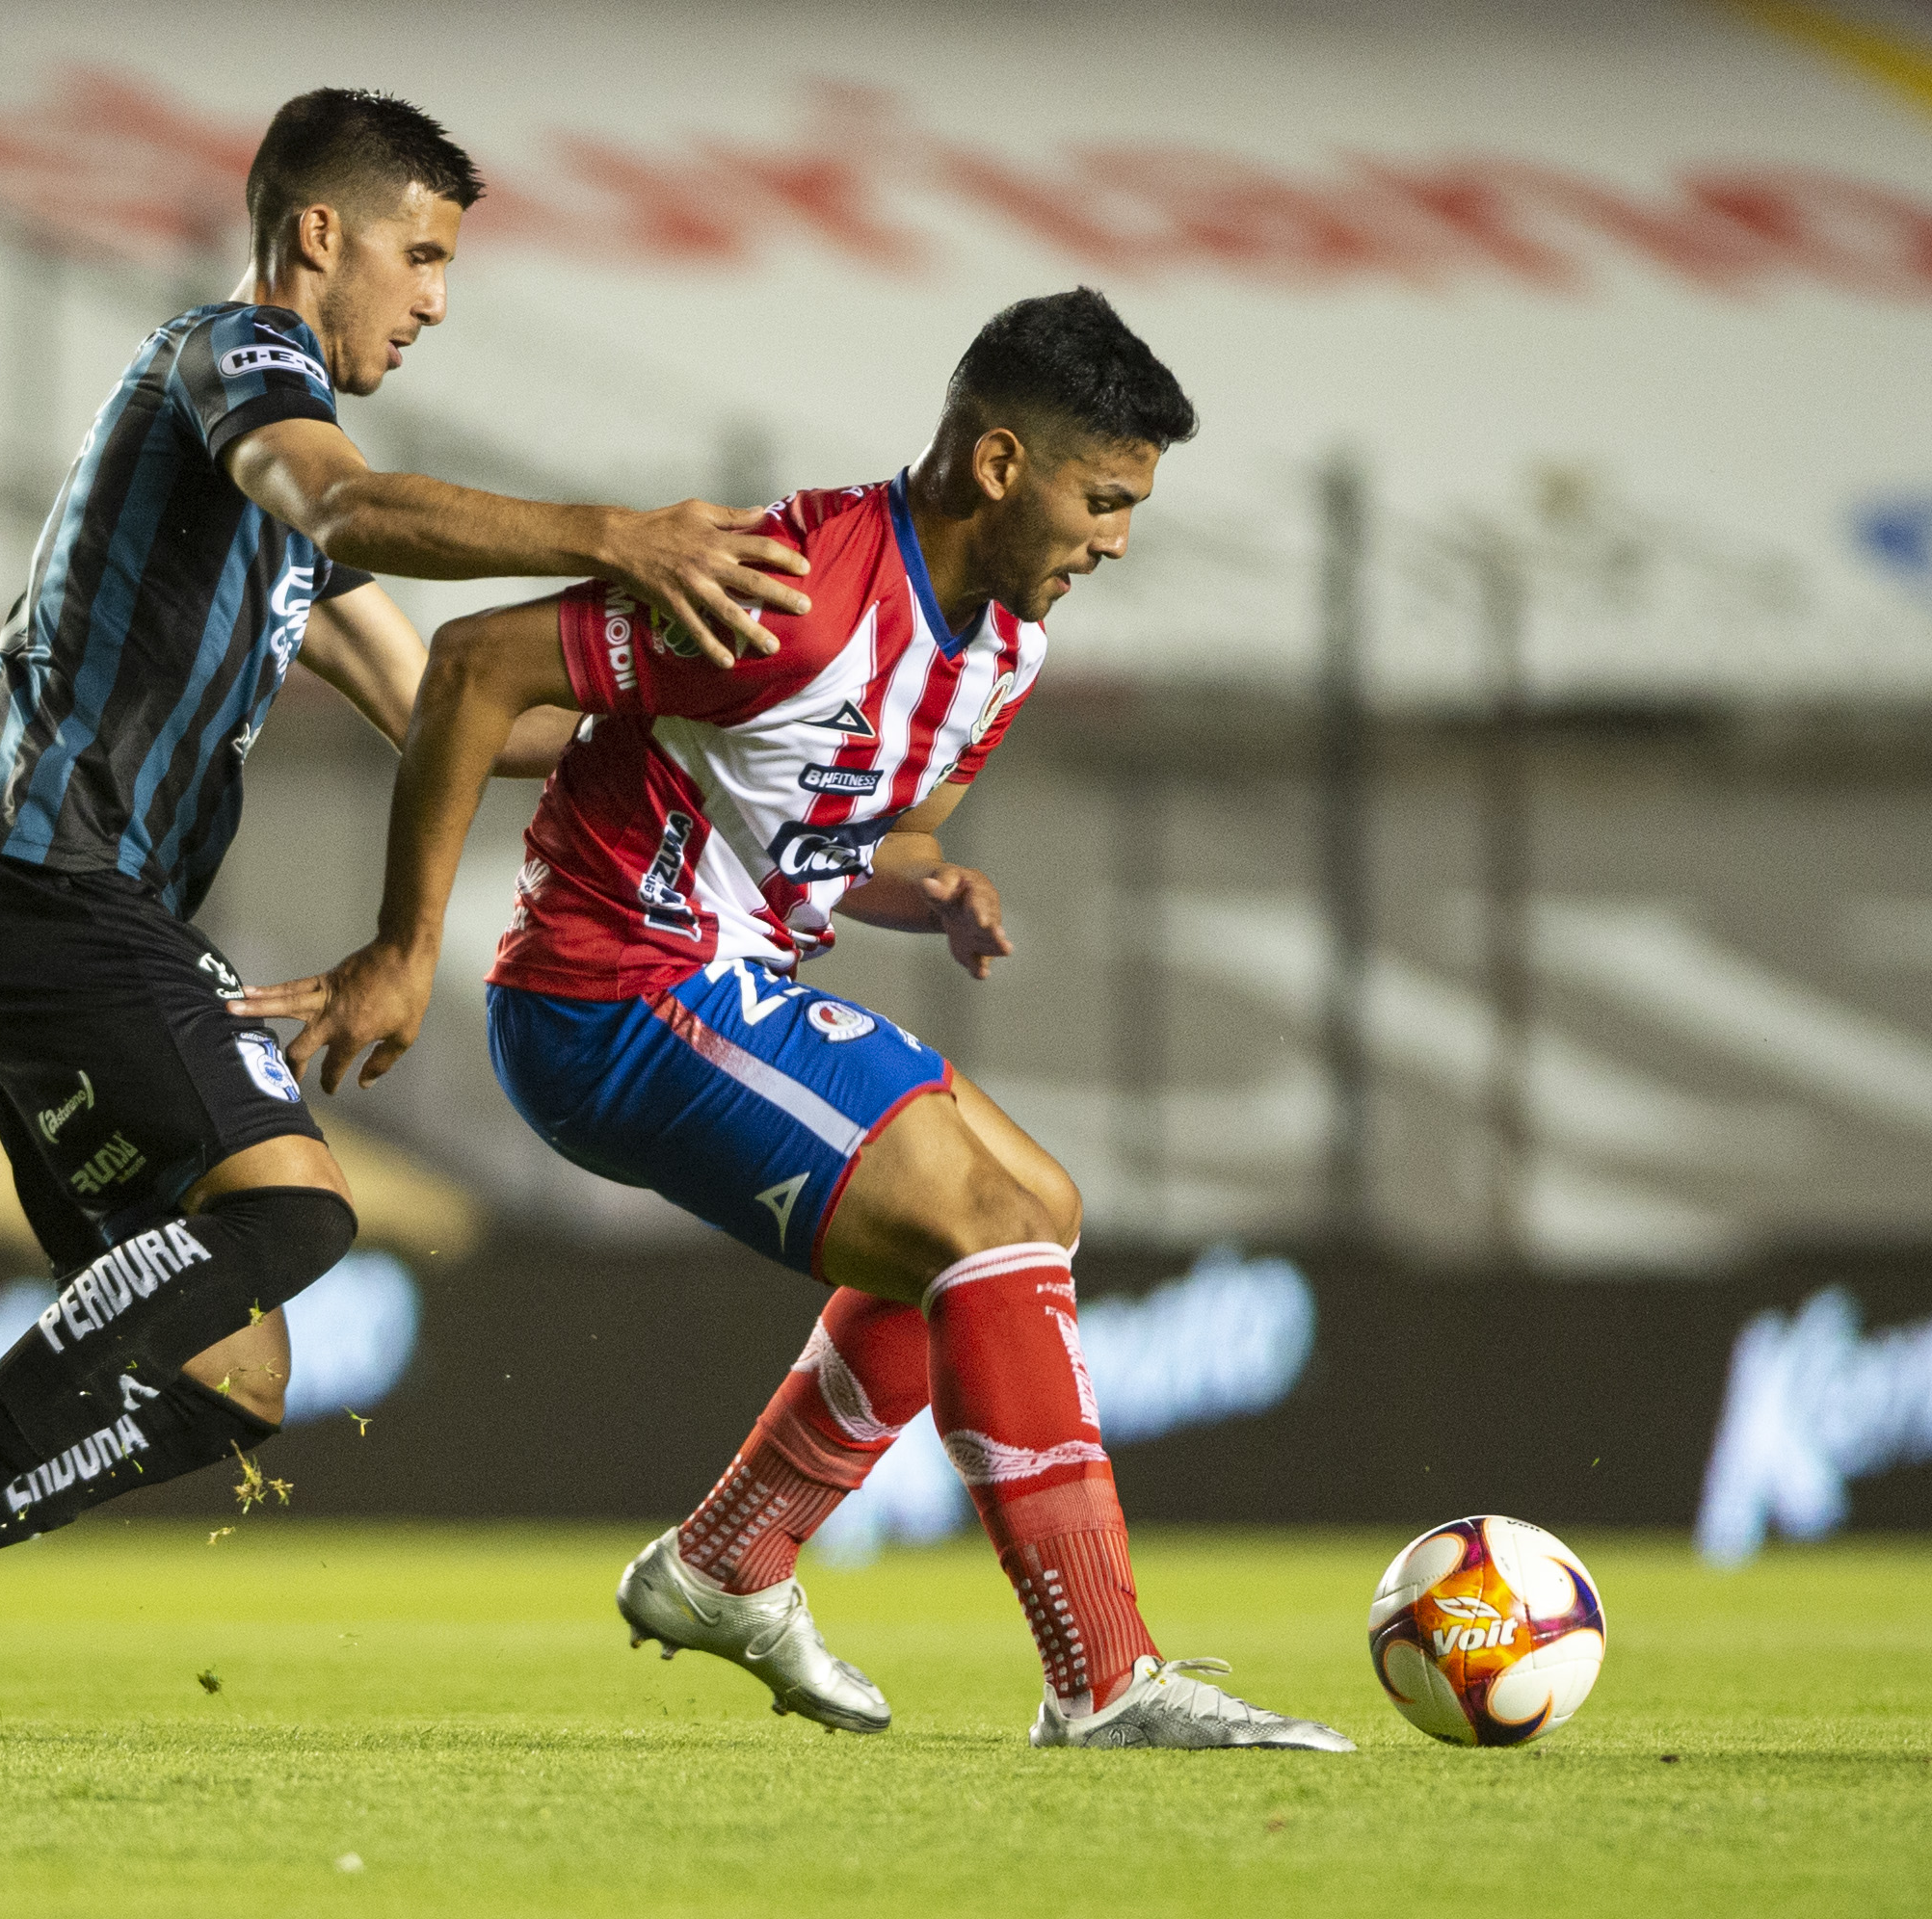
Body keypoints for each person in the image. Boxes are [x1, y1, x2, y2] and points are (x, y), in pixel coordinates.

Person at [0, 87, 812, 1739]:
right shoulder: (228, 358)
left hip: (52, 914)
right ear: (313, 237)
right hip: (42, 886)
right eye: (418, 256)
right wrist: (611, 537)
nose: (434, 298)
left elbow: (461, 713)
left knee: (231, 1377)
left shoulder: (288, 522)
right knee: (290, 1215)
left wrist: (746, 738)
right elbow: (350, 503)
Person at [236, 289, 1353, 1750]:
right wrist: (403, 945)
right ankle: (1106, 1681)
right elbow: (477, 670)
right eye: (1102, 498)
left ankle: (725, 1562)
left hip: (720, 980)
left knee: (1033, 1215)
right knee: (986, 1225)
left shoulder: (1002, 647)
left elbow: (827, 832)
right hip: (611, 989)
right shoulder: (795, 589)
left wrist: (928, 883)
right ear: (1000, 464)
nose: (1115, 540)